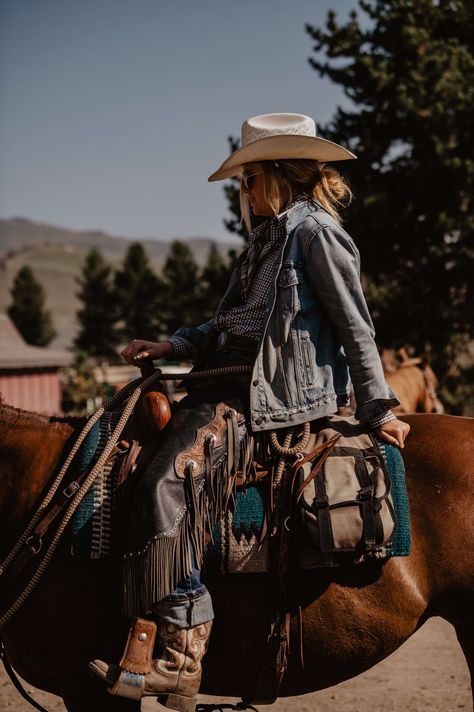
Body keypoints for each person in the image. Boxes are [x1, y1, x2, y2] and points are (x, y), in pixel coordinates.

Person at [90, 113, 410, 709]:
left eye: (249, 179)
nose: (244, 192)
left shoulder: (315, 234)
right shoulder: (267, 242)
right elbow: (232, 325)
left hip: (271, 399)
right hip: (227, 380)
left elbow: (355, 326)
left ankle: (182, 654)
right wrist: (175, 345)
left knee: (166, 480)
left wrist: (376, 406)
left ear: (282, 176)